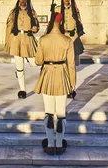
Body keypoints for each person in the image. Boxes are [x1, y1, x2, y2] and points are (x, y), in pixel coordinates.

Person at [34, 12, 76, 156]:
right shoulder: (67, 40)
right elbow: (71, 63)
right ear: (61, 23)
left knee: (49, 112)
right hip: (62, 75)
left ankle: (50, 144)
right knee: (61, 113)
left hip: (47, 74)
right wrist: (72, 82)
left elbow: (38, 61)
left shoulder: (43, 39)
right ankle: (59, 143)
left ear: (50, 23)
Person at [5, 0, 39, 98]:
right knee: (19, 67)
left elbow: (37, 26)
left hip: (28, 39)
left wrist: (35, 29)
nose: (23, 0)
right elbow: (8, 27)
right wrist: (8, 42)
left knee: (36, 62)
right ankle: (22, 90)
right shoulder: (13, 12)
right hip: (17, 40)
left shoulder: (32, 12)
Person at [56, 0, 84, 68]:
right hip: (62, 35)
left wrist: (79, 31)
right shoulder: (58, 9)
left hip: (73, 36)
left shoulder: (74, 9)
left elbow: (79, 21)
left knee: (74, 62)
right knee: (62, 59)